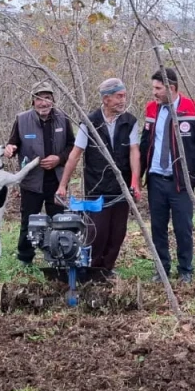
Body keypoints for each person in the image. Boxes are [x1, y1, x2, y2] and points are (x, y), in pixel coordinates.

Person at [56, 78, 142, 279]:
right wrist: (62, 185)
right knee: (98, 233)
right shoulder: (90, 122)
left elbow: (134, 152)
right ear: (106, 99)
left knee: (117, 233)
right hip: (96, 188)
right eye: (119, 96)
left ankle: (107, 270)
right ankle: (92, 271)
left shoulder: (130, 121)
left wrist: (135, 183)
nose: (123, 100)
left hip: (121, 189)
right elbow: (75, 155)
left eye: (124, 96)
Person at [140, 67, 195, 284]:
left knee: (183, 228)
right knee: (158, 228)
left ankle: (185, 270)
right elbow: (145, 144)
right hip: (156, 180)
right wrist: (136, 177)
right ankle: (162, 269)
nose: (154, 92)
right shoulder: (151, 109)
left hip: (181, 182)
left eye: (158, 88)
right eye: (153, 88)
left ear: (171, 88)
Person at [4, 82, 75, 266]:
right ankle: (25, 259)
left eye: (47, 98)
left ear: (53, 100)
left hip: (57, 181)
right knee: (28, 221)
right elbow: (13, 143)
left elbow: (72, 147)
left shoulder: (63, 119)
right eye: (39, 98)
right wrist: (10, 148)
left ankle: (57, 259)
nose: (43, 103)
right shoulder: (22, 120)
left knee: (59, 221)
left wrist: (58, 159)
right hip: (32, 182)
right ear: (33, 101)